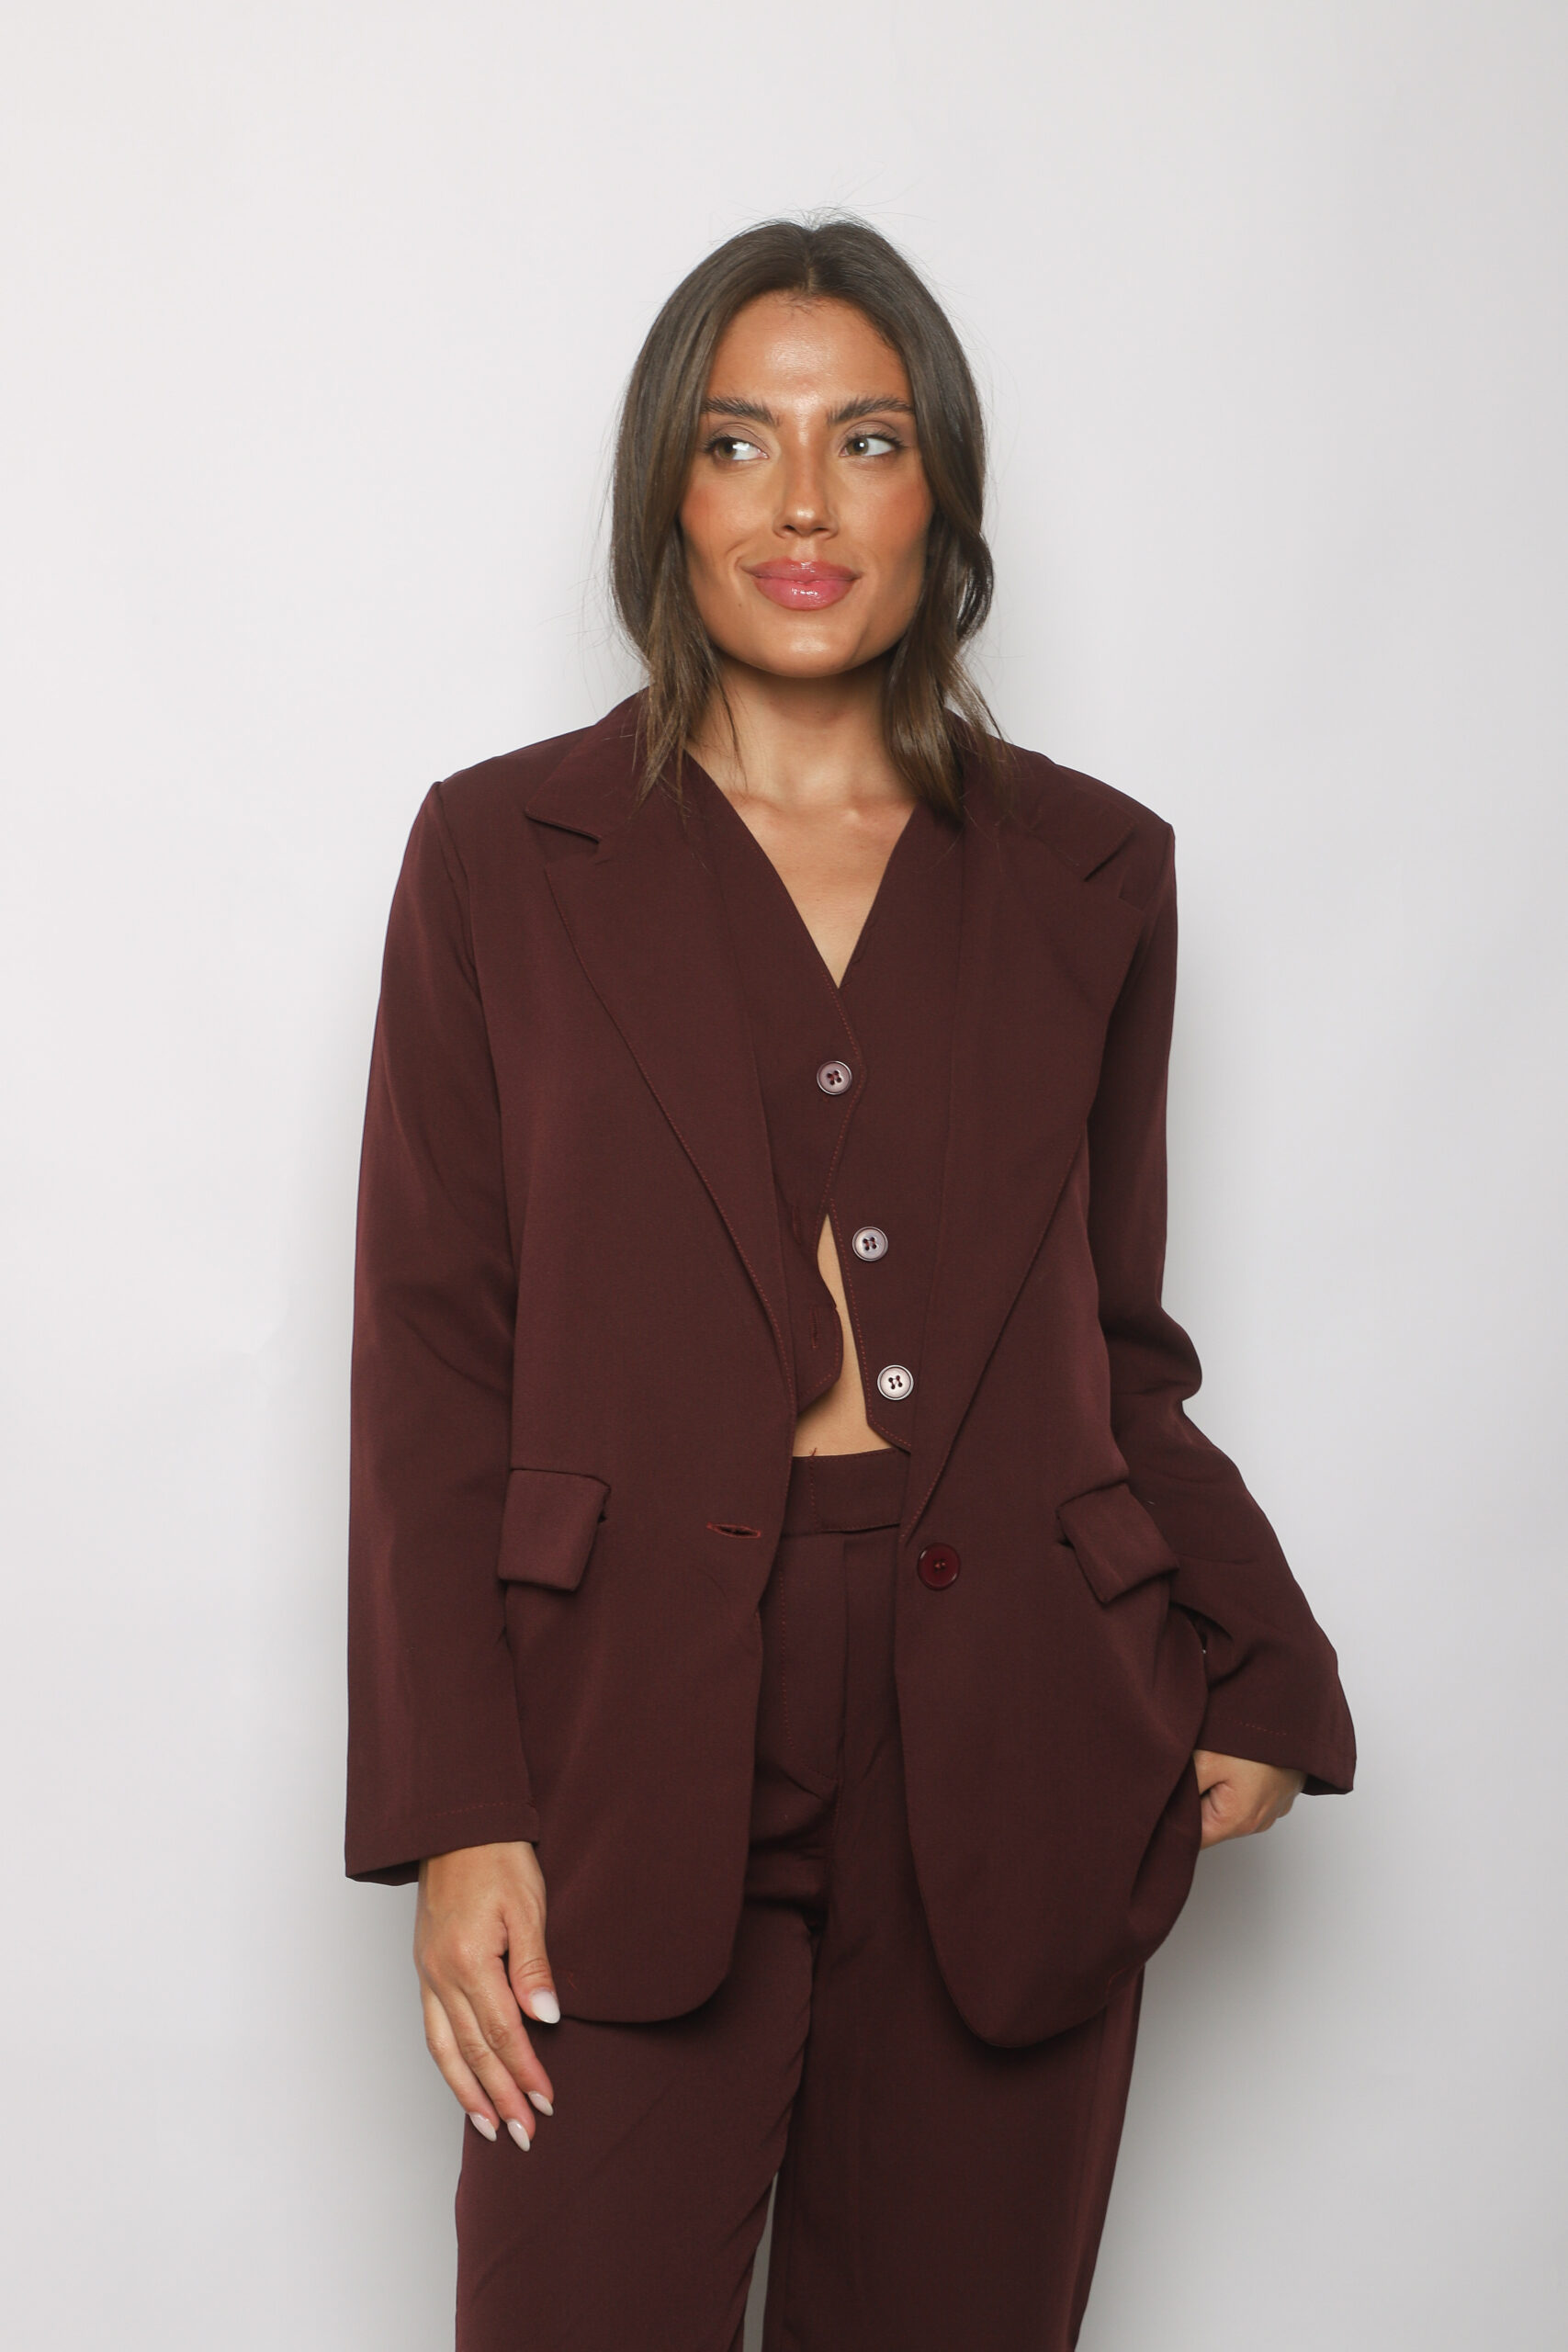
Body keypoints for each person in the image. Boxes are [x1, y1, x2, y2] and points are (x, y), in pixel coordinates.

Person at [345, 216, 1355, 2352]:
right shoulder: (499, 858)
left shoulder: (1092, 871)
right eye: (736, 441)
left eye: (864, 441)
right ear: (664, 492)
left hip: (1012, 1721)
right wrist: (455, 1811)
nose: (799, 503)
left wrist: (1258, 1660)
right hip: (618, 1732)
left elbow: (1111, 1341)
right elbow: (435, 1361)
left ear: (940, 493)